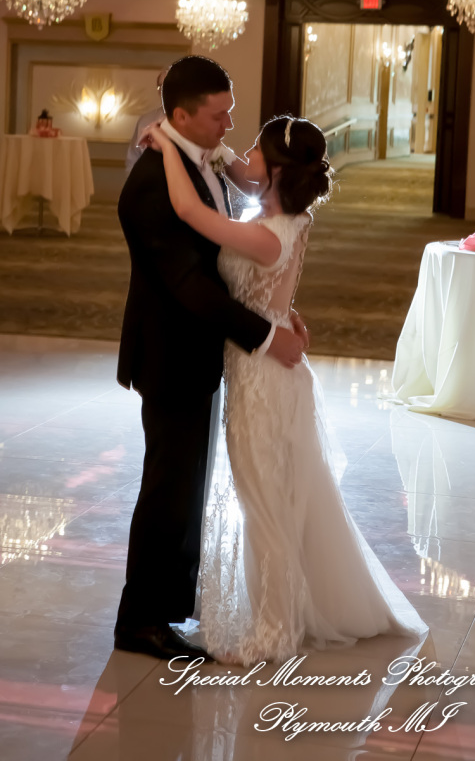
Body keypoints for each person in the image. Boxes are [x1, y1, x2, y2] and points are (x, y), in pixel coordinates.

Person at [142, 113, 428, 665]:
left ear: (274, 169)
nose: (243, 155)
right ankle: (289, 610)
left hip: (262, 382)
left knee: (264, 505)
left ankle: (274, 630)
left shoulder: (263, 233)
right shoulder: (288, 221)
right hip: (270, 370)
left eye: (253, 150)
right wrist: (283, 314)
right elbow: (268, 287)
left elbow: (186, 210)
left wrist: (166, 145)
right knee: (280, 500)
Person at [114, 56, 305, 662]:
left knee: (186, 484)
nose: (229, 125)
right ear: (180, 115)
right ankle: (140, 620)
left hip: (200, 351)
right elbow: (188, 286)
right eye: (219, 115)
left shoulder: (203, 160)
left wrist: (275, 310)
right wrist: (267, 337)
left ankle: (169, 608)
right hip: (170, 355)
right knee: (168, 487)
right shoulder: (150, 184)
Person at [124, 67, 167, 174]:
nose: (165, 91)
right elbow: (133, 158)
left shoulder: (192, 121)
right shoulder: (146, 120)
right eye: (161, 87)